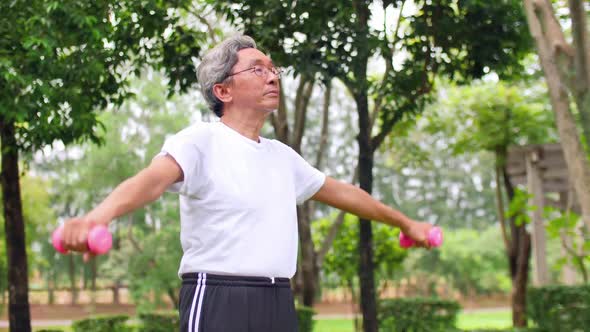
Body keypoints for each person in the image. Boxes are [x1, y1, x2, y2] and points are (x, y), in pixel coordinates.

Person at [61, 35, 433, 332]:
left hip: (277, 299)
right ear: (223, 91)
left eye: (274, 69)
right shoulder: (198, 142)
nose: (272, 77)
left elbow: (346, 195)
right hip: (218, 299)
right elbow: (151, 180)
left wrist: (406, 223)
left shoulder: (283, 157)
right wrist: (96, 218)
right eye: (257, 69)